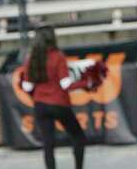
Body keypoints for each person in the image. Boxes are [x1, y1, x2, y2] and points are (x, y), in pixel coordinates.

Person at [19, 26, 100, 169]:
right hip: (59, 104)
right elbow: (65, 84)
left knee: (48, 143)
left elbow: (27, 87)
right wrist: (86, 82)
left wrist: (39, 95)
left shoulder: (32, 58)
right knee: (78, 136)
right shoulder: (58, 56)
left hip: (40, 105)